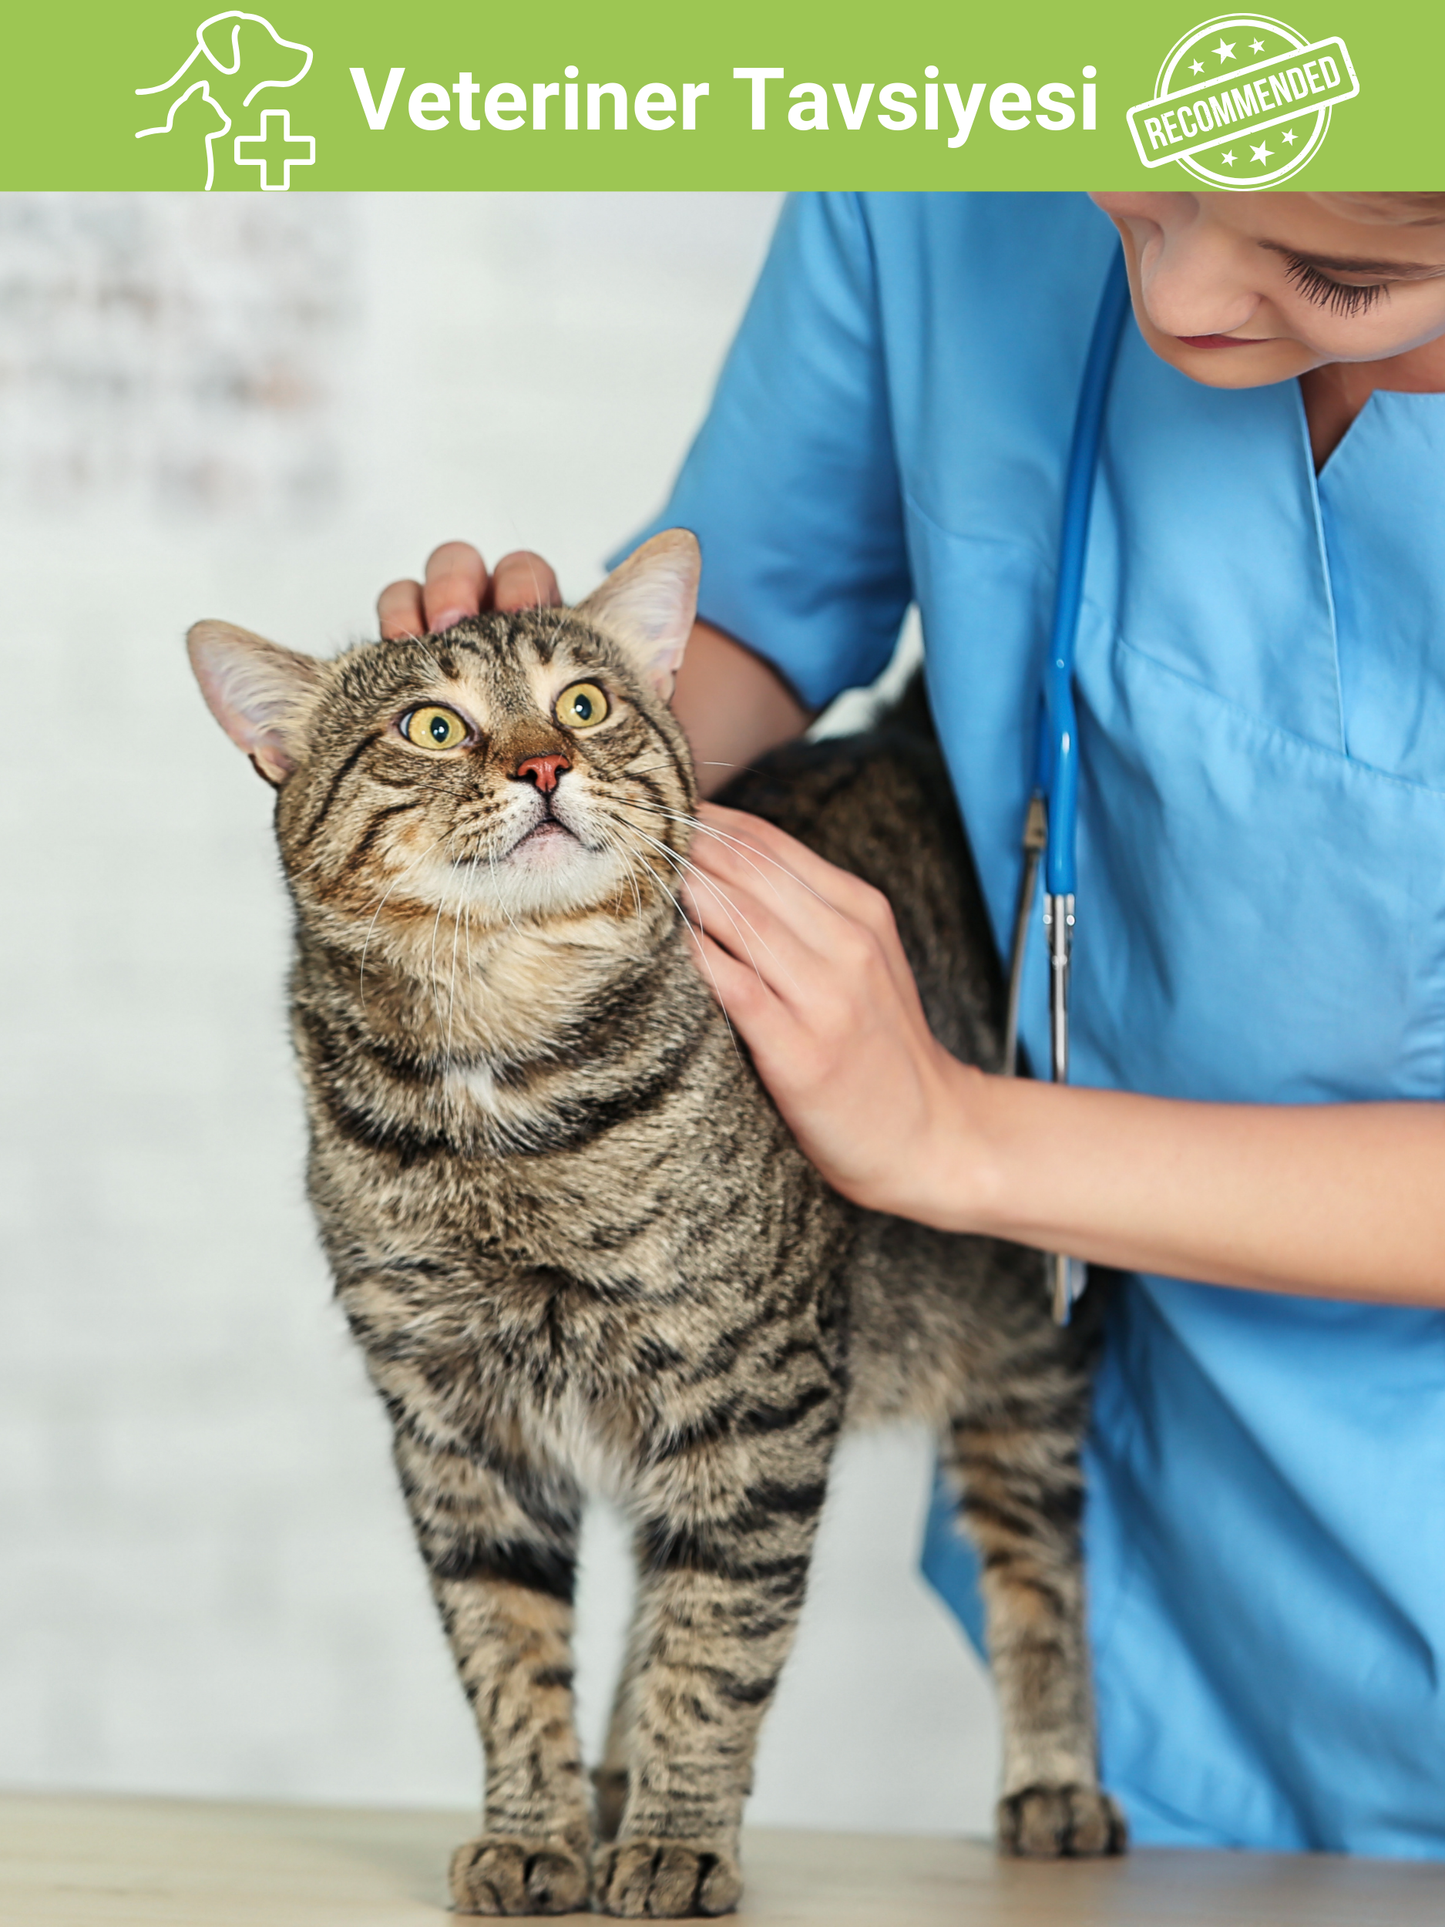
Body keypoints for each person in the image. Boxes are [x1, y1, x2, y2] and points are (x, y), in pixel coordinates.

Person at [377, 191, 1445, 1858]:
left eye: (1342, 274)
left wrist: (952, 1133)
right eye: (1135, 193)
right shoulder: (944, 153)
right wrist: (527, 742)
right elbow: (750, 614)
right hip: (1160, 1557)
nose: (1175, 298)